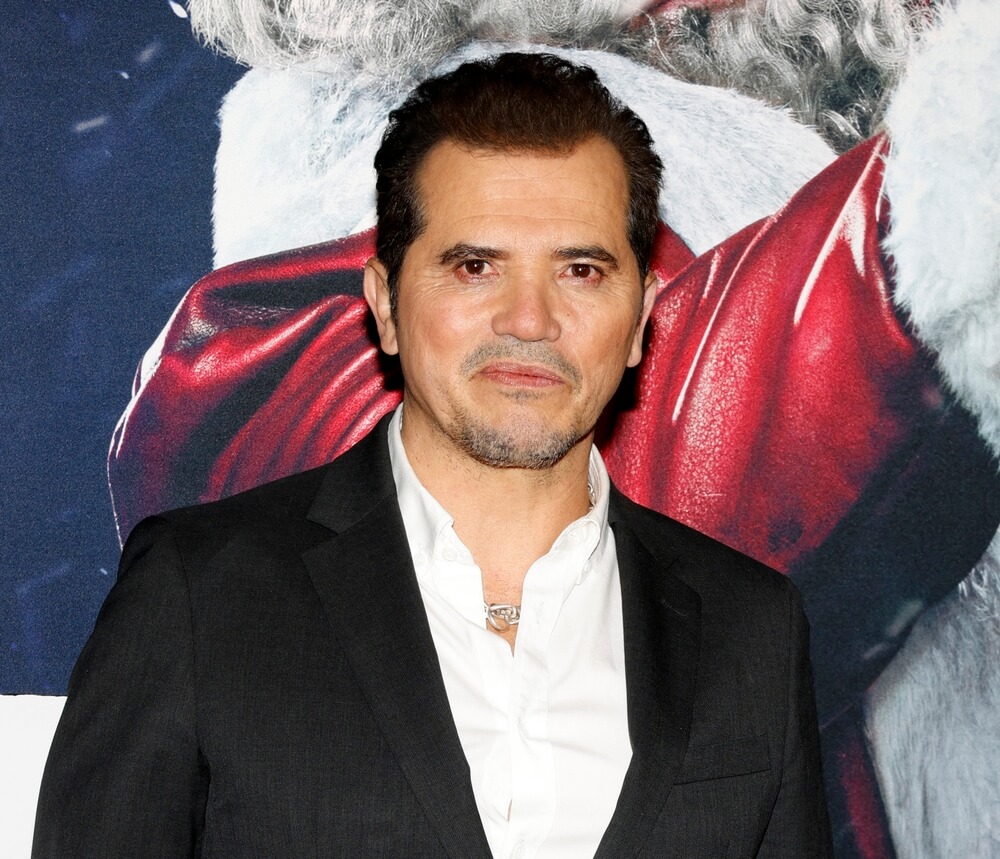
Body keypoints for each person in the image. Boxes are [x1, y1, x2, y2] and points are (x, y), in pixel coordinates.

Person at [34, 52, 832, 858]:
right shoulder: (198, 594)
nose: (530, 319)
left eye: (582, 271)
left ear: (639, 318)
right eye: (476, 267)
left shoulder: (751, 628)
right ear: (383, 304)